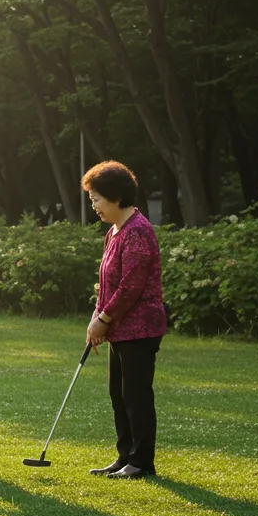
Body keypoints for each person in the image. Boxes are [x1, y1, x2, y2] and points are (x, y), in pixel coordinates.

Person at [83, 161, 166, 480]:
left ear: (116, 196)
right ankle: (125, 457)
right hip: (119, 329)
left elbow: (131, 285)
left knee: (136, 397)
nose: (94, 206)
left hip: (140, 330)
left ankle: (142, 462)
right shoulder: (114, 232)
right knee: (119, 395)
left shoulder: (138, 231)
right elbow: (106, 282)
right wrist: (97, 317)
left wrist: (103, 318)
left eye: (97, 199)